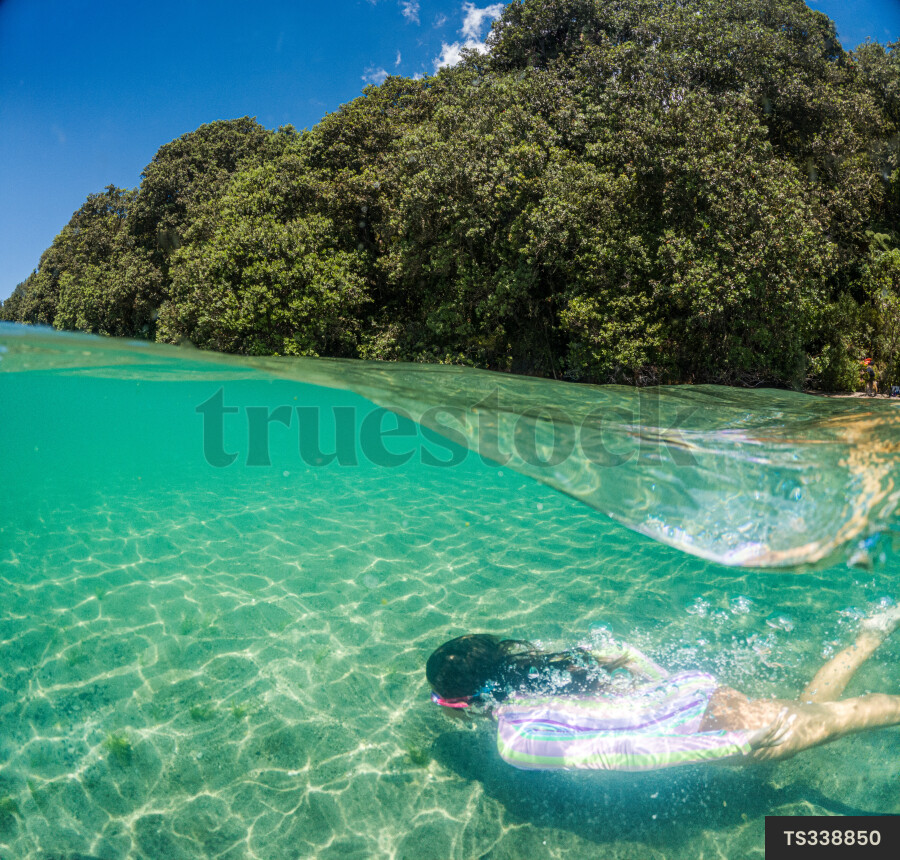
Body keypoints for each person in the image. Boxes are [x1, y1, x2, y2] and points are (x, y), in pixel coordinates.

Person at [426, 607, 900, 772]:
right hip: (692, 693)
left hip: (714, 726)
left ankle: (868, 639)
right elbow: (627, 654)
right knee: (811, 712)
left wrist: (728, 741)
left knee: (847, 718)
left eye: (438, 700)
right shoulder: (537, 672)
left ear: (462, 702)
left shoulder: (514, 739)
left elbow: (627, 752)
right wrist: (675, 685)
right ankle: (866, 638)